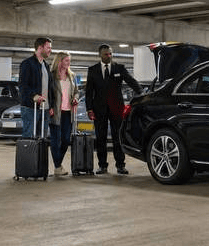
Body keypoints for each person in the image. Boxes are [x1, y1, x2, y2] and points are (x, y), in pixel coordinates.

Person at [85, 44, 142, 175]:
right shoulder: (92, 70)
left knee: (118, 137)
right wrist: (89, 109)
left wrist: (141, 92)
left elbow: (131, 81)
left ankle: (120, 165)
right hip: (99, 109)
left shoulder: (119, 68)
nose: (109, 56)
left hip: (117, 108)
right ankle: (102, 166)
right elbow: (89, 92)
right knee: (101, 138)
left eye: (110, 53)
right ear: (100, 55)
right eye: (106, 54)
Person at [18, 37, 55, 142]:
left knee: (42, 139)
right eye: (48, 47)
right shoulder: (27, 64)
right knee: (29, 137)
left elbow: (49, 87)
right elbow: (23, 85)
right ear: (40, 47)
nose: (50, 50)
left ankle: (39, 159)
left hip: (45, 109)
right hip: (31, 107)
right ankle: (28, 158)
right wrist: (34, 96)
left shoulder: (46, 66)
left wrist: (51, 105)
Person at [49, 51, 79, 177]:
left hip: (68, 112)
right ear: (59, 61)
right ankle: (57, 167)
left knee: (66, 140)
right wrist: (49, 107)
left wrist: (76, 98)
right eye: (66, 60)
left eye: (69, 60)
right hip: (56, 112)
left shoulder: (72, 76)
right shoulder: (52, 75)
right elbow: (48, 92)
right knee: (56, 141)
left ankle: (58, 164)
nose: (69, 63)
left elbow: (76, 91)